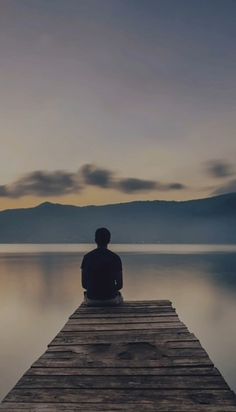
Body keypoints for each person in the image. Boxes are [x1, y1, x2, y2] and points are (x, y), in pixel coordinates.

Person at [81, 227, 123, 306]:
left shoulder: (87, 257)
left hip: (92, 300)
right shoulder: (115, 258)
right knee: (120, 296)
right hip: (111, 300)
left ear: (95, 240)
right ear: (109, 240)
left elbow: (84, 284)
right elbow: (120, 285)